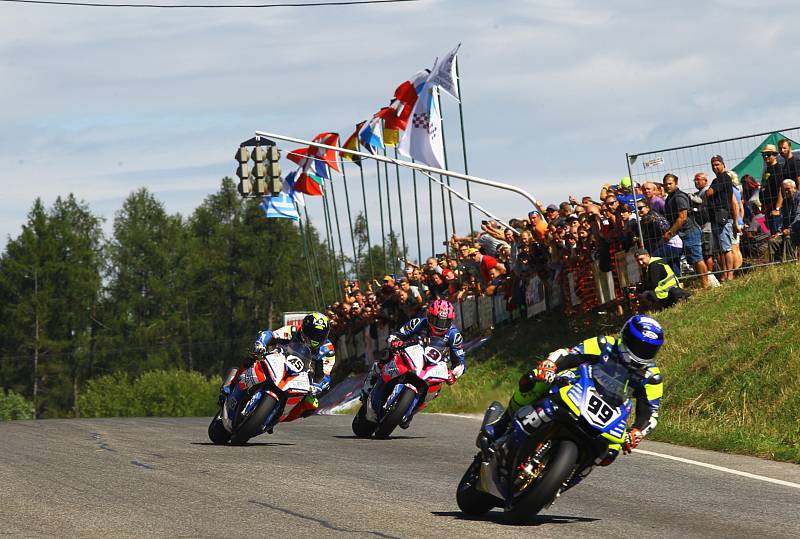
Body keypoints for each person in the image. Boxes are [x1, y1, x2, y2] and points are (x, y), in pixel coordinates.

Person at [484, 315, 664, 487]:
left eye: (648, 350)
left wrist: (637, 432)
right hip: (576, 388)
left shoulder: (651, 377)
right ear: (625, 336)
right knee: (535, 383)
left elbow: (650, 412)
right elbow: (570, 354)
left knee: (610, 452)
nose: (641, 353)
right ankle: (500, 426)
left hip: (608, 415)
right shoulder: (604, 344)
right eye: (637, 345)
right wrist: (550, 366)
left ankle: (562, 482)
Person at [360, 299, 467, 428]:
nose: (440, 325)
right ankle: (369, 386)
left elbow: (460, 362)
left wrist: (454, 373)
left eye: (445, 322)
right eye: (437, 321)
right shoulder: (418, 323)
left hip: (433, 366)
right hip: (410, 355)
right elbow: (398, 334)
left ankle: (410, 412)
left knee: (437, 389)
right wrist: (395, 341)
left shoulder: (454, 336)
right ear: (429, 316)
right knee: (385, 356)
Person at [219, 312, 336, 424]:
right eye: (311, 332)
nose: (314, 337)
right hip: (279, 360)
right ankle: (231, 386)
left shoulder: (327, 350)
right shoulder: (293, 330)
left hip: (301, 376)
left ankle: (278, 417)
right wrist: (261, 344)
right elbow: (269, 334)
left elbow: (325, 375)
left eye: (319, 335)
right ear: (304, 328)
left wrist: (317, 386)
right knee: (252, 358)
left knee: (312, 404)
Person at [663, 173, 709, 287]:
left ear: (676, 183)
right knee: (693, 259)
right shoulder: (670, 197)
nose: (668, 186)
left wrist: (670, 233)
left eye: (670, 183)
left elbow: (682, 217)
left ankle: (706, 285)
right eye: (665, 184)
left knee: (697, 258)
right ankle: (702, 283)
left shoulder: (679, 197)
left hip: (690, 230)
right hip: (683, 232)